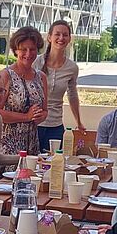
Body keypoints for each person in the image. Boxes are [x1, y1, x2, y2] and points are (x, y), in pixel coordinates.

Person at [0, 26, 48, 155]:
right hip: (9, 145)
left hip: (32, 144)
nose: (28, 54)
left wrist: (41, 116)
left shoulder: (41, 77)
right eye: (23, 49)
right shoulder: (6, 75)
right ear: (15, 50)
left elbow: (45, 110)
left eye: (32, 49)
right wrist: (26, 117)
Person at [34, 20, 83, 152]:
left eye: (65, 35)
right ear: (49, 37)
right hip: (33, 125)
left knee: (54, 165)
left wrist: (78, 122)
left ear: (69, 39)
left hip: (56, 127)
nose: (61, 38)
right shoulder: (36, 62)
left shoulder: (72, 68)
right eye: (57, 34)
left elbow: (72, 95)